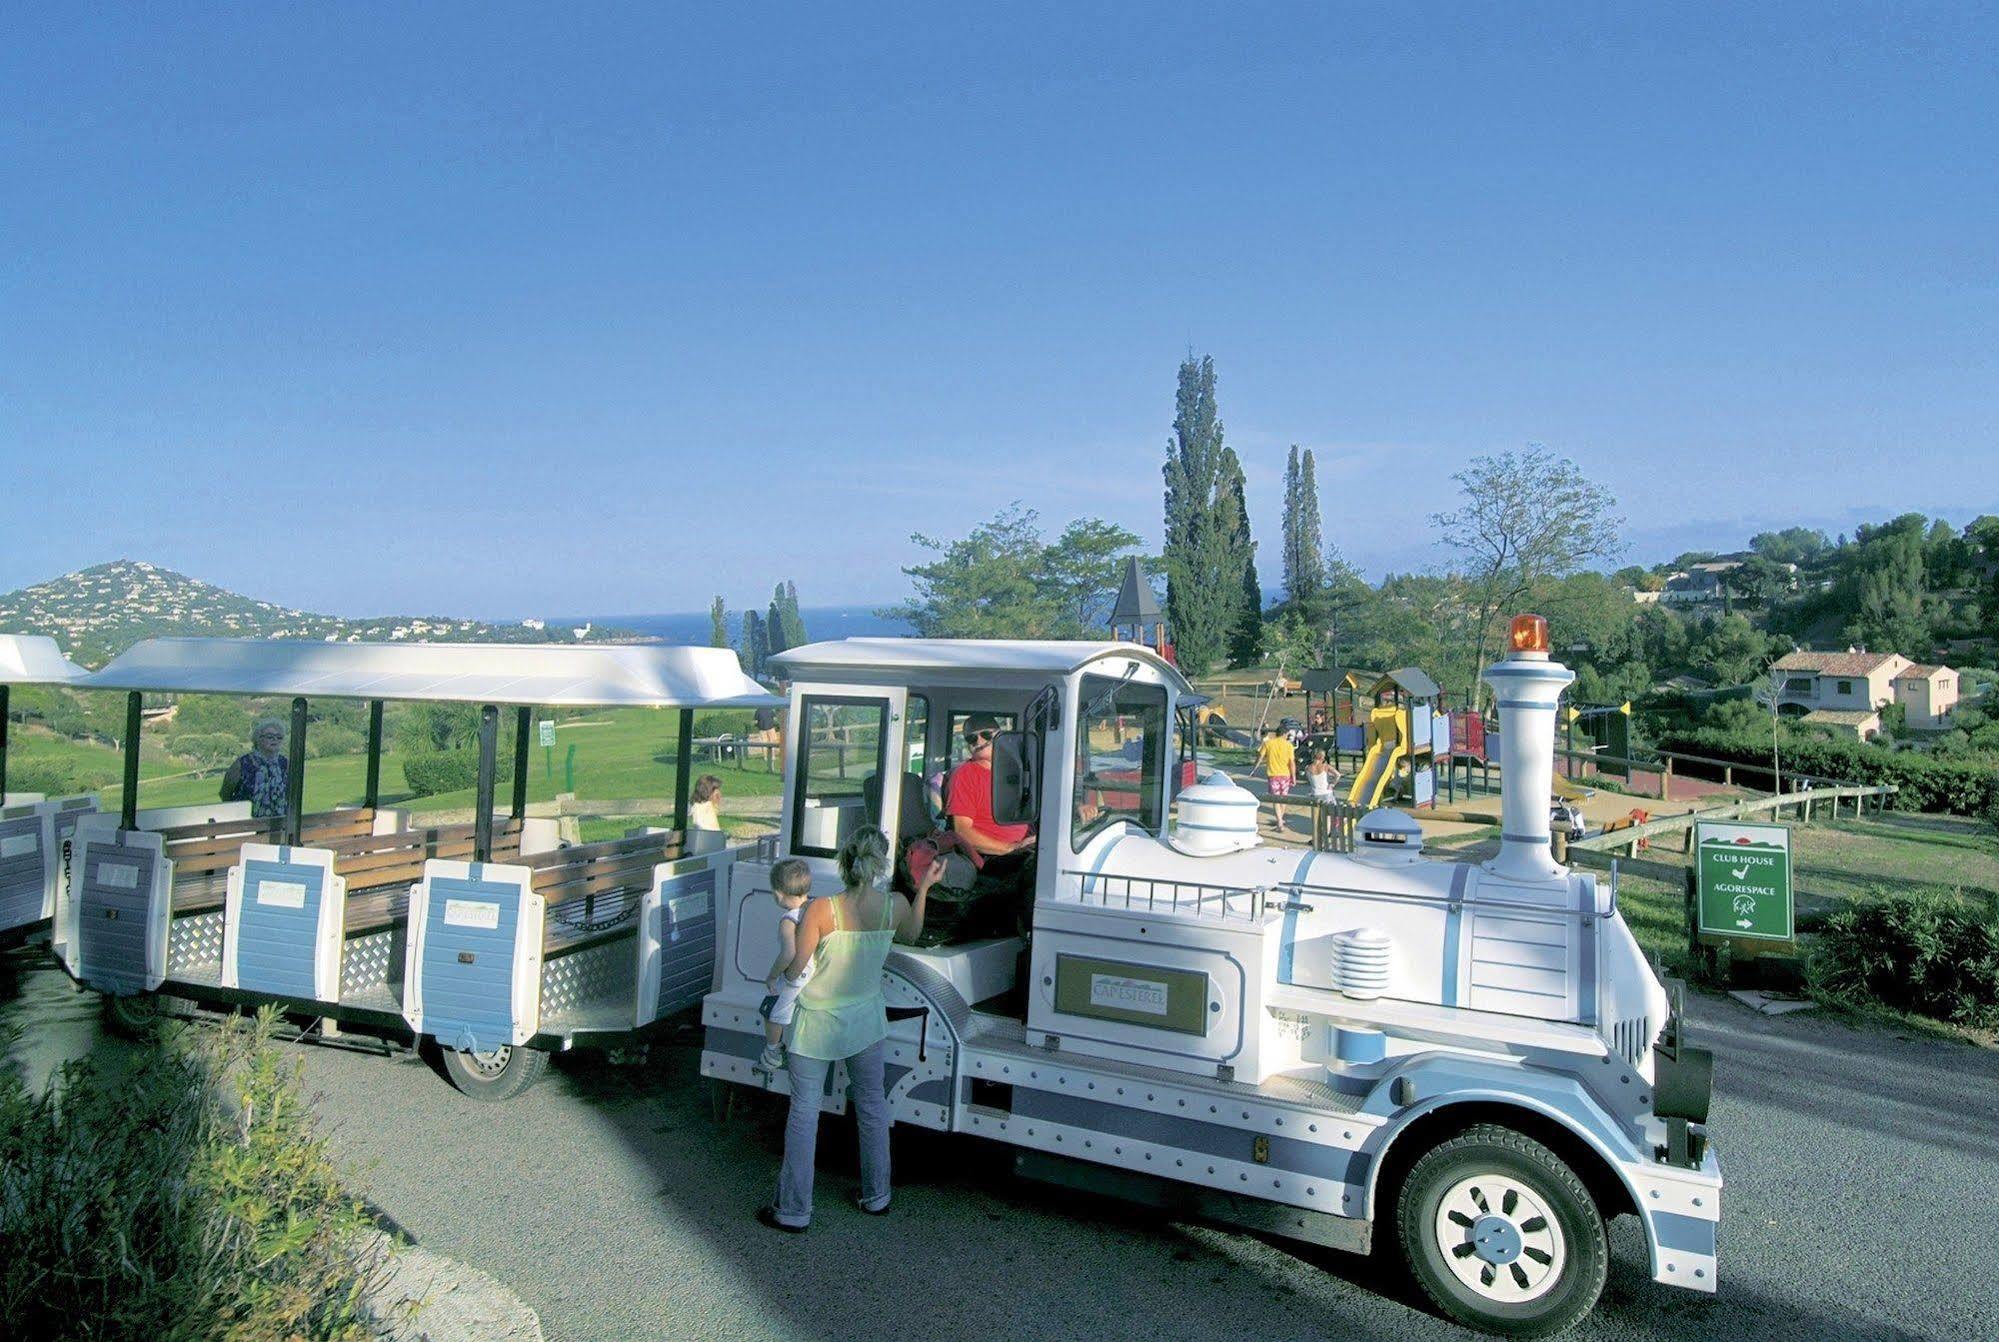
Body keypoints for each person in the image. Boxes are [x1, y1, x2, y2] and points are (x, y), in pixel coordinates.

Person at [759, 828, 945, 1233]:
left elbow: (795, 969)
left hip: (816, 1023)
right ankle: (877, 1195)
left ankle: (793, 1210)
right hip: (866, 1020)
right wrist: (925, 887)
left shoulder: (822, 909)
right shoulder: (894, 904)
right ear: (881, 864)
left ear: (845, 861)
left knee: (805, 1113)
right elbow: (913, 934)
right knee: (873, 1107)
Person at [944, 714, 1035, 869]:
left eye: (986, 735)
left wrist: (1075, 811)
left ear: (1000, 736)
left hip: (1028, 847)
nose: (979, 741)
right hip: (996, 859)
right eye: (971, 739)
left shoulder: (1016, 770)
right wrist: (1011, 848)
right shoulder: (964, 775)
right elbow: (962, 831)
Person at [757, 858, 816, 1071]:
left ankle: (772, 1051)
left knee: (770, 1009)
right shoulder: (814, 908)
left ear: (778, 893)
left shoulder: (788, 920)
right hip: (815, 972)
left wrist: (772, 976)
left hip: (797, 976)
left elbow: (788, 953)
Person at [220, 718, 290, 819]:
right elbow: (225, 793)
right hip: (247, 823)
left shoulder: (285, 764)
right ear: (258, 738)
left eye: (279, 737)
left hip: (279, 824)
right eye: (270, 737)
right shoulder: (242, 763)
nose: (275, 740)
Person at [1255, 724, 1297, 831]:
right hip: (1285, 775)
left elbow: (1260, 756)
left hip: (1273, 775)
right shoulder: (1289, 746)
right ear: (1284, 734)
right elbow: (1292, 763)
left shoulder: (1268, 743)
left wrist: (1255, 767)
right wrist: (1294, 776)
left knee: (1276, 799)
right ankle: (1280, 819)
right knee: (1283, 798)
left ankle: (1279, 821)